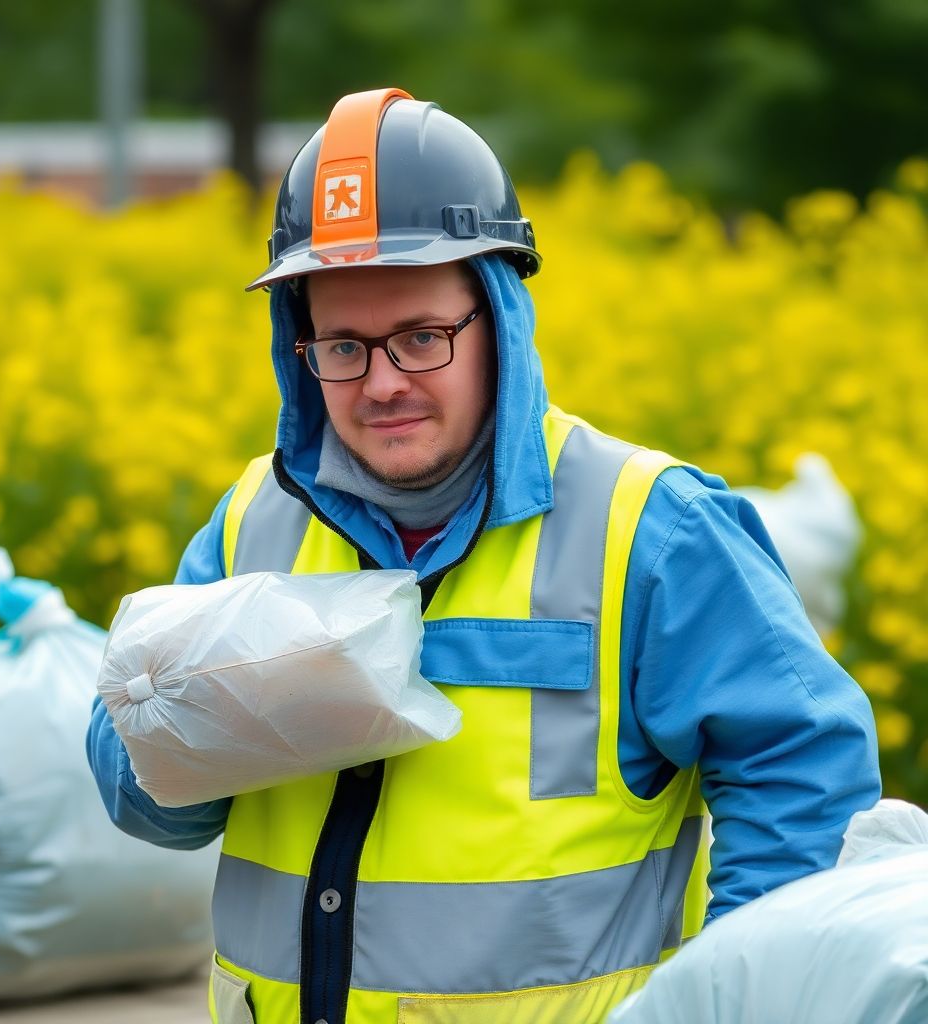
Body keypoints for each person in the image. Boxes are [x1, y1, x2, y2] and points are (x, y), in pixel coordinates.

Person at [87, 88, 881, 1024]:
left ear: (499, 318)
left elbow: (801, 775)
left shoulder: (651, 528)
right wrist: (193, 721)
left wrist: (738, 1003)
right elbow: (152, 807)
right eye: (343, 346)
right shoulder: (251, 523)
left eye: (421, 338)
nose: (382, 384)